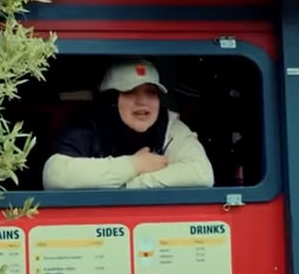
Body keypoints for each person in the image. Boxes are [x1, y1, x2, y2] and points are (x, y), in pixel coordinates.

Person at [41, 59, 215, 190]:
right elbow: (55, 175)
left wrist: (133, 184)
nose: (143, 102)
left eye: (151, 93)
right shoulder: (86, 126)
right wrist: (134, 165)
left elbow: (201, 174)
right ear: (111, 100)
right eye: (130, 91)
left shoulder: (168, 123)